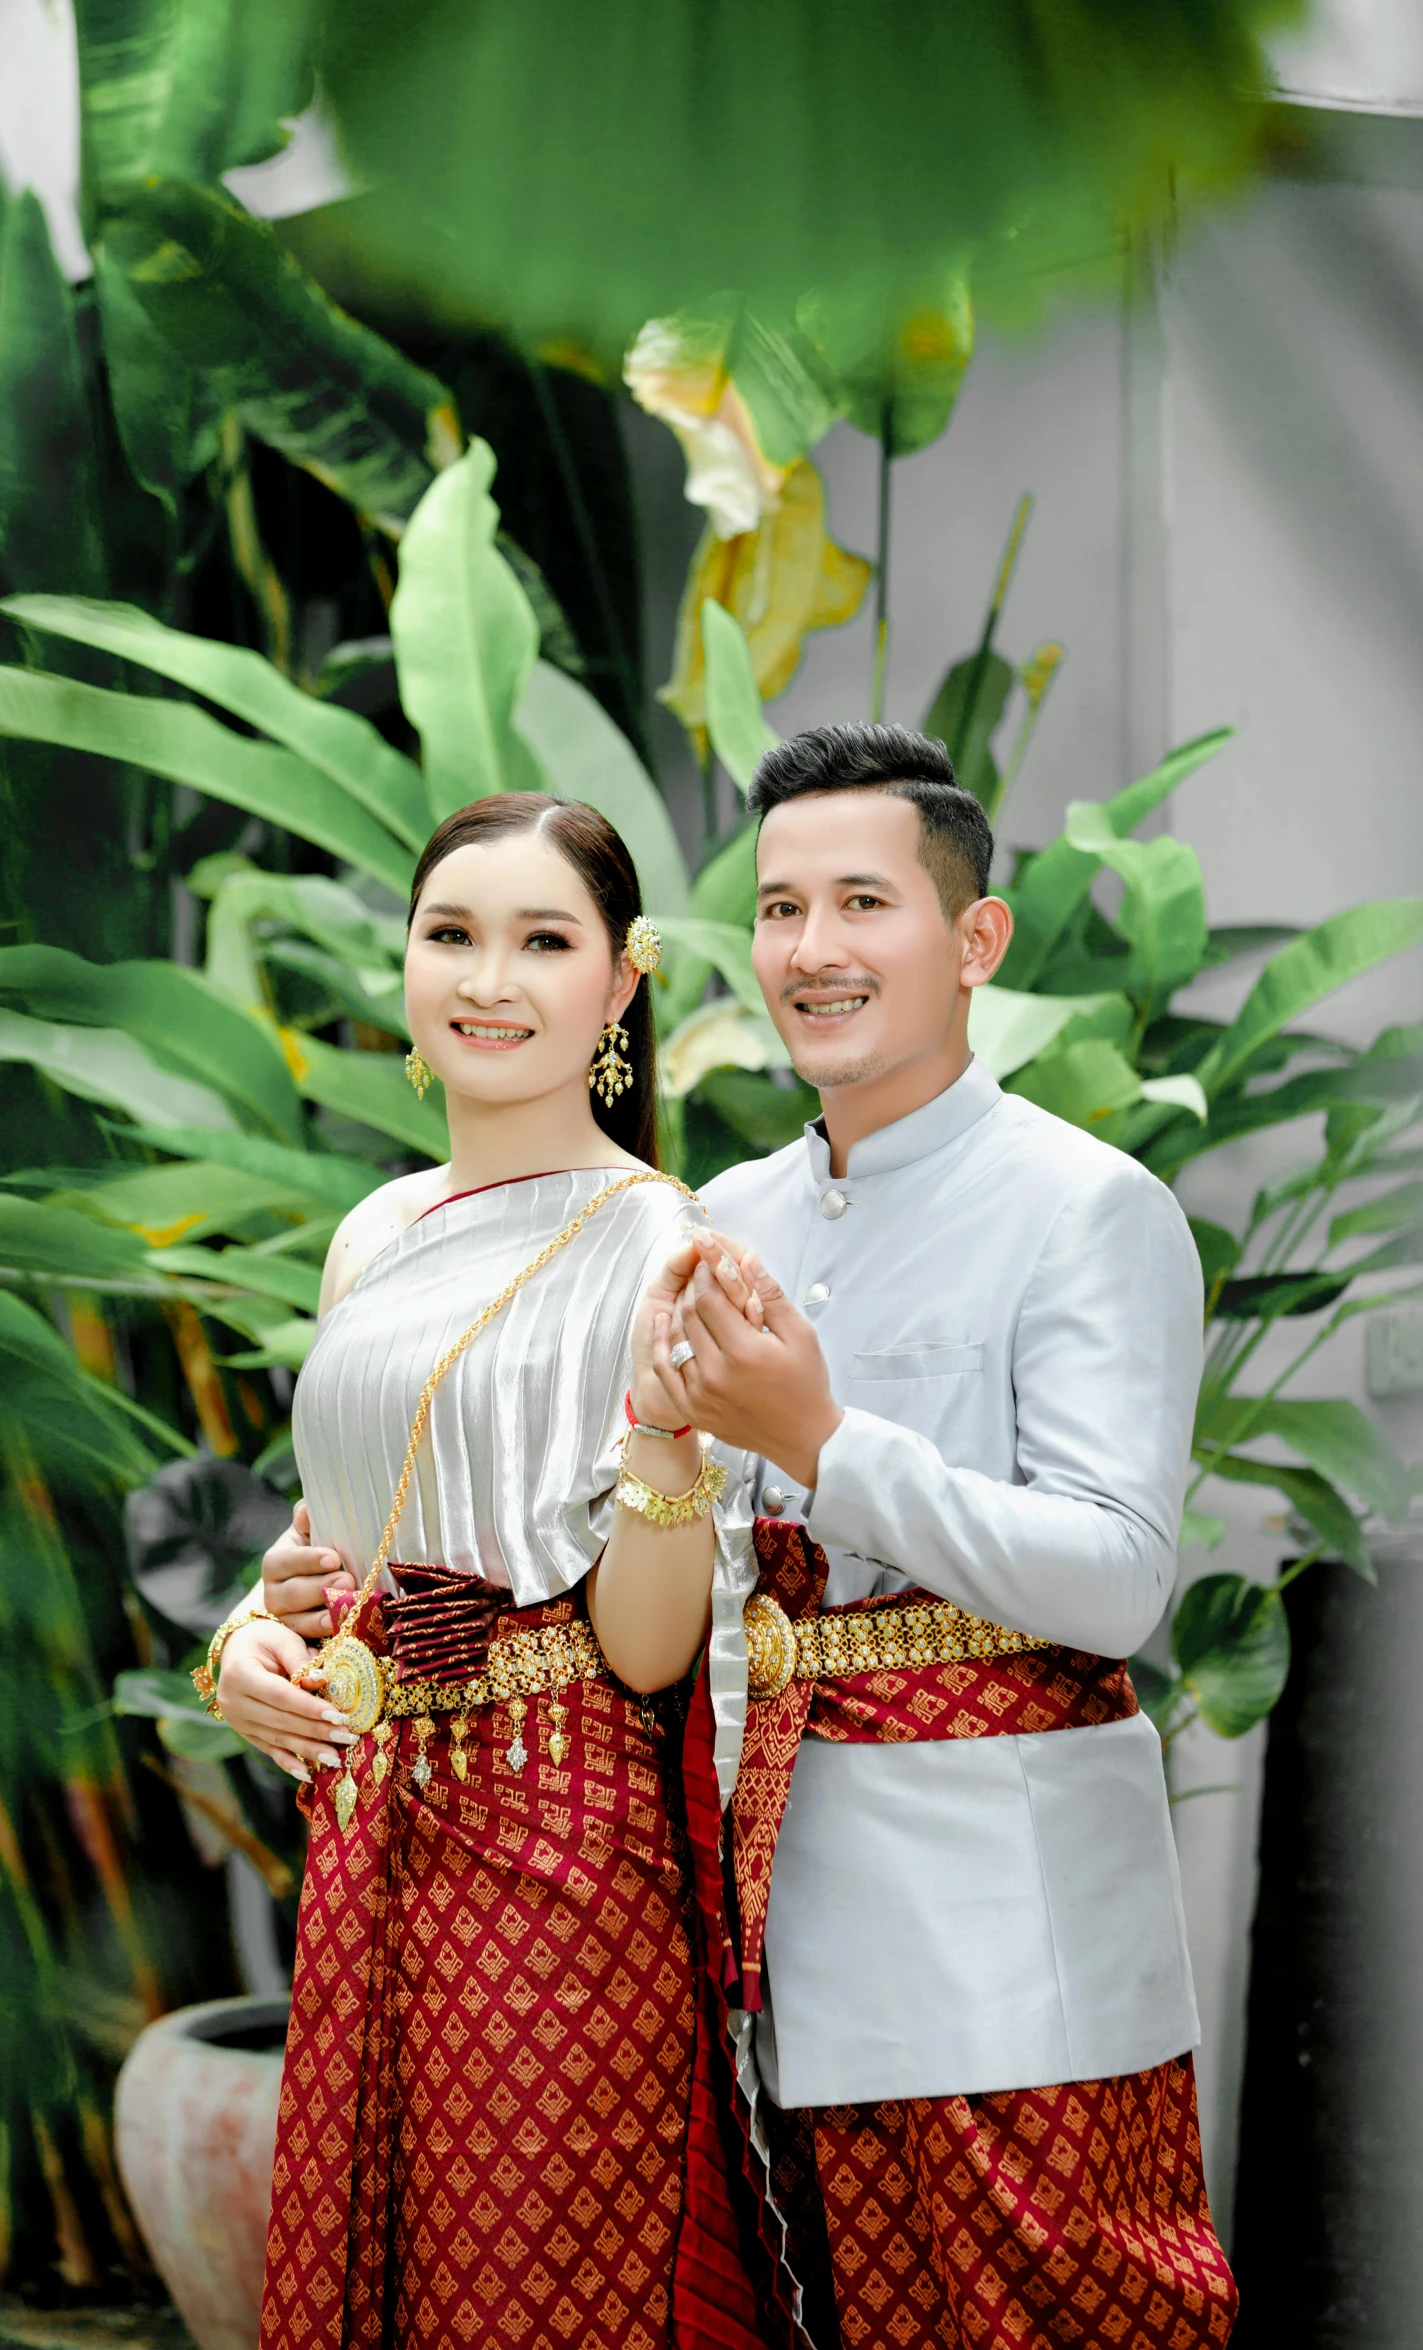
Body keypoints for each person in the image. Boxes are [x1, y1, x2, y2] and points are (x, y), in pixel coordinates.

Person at [644, 724, 1238, 2350]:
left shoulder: (1085, 1205)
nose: (810, 950)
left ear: (971, 939)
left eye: (859, 902)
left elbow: (1115, 1575)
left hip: (1005, 1948)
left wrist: (823, 1445)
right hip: (769, 1921)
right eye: (777, 909)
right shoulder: (724, 1215)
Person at [200, 794, 782, 2350]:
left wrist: (662, 1442)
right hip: (367, 1819)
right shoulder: (372, 1233)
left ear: (619, 984)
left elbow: (652, 1658)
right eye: (451, 934)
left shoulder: (657, 1236)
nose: (488, 977)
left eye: (543, 940)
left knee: (526, 2284)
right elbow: (341, 1540)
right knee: (367, 2273)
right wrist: (249, 1634)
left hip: (556, 1835)